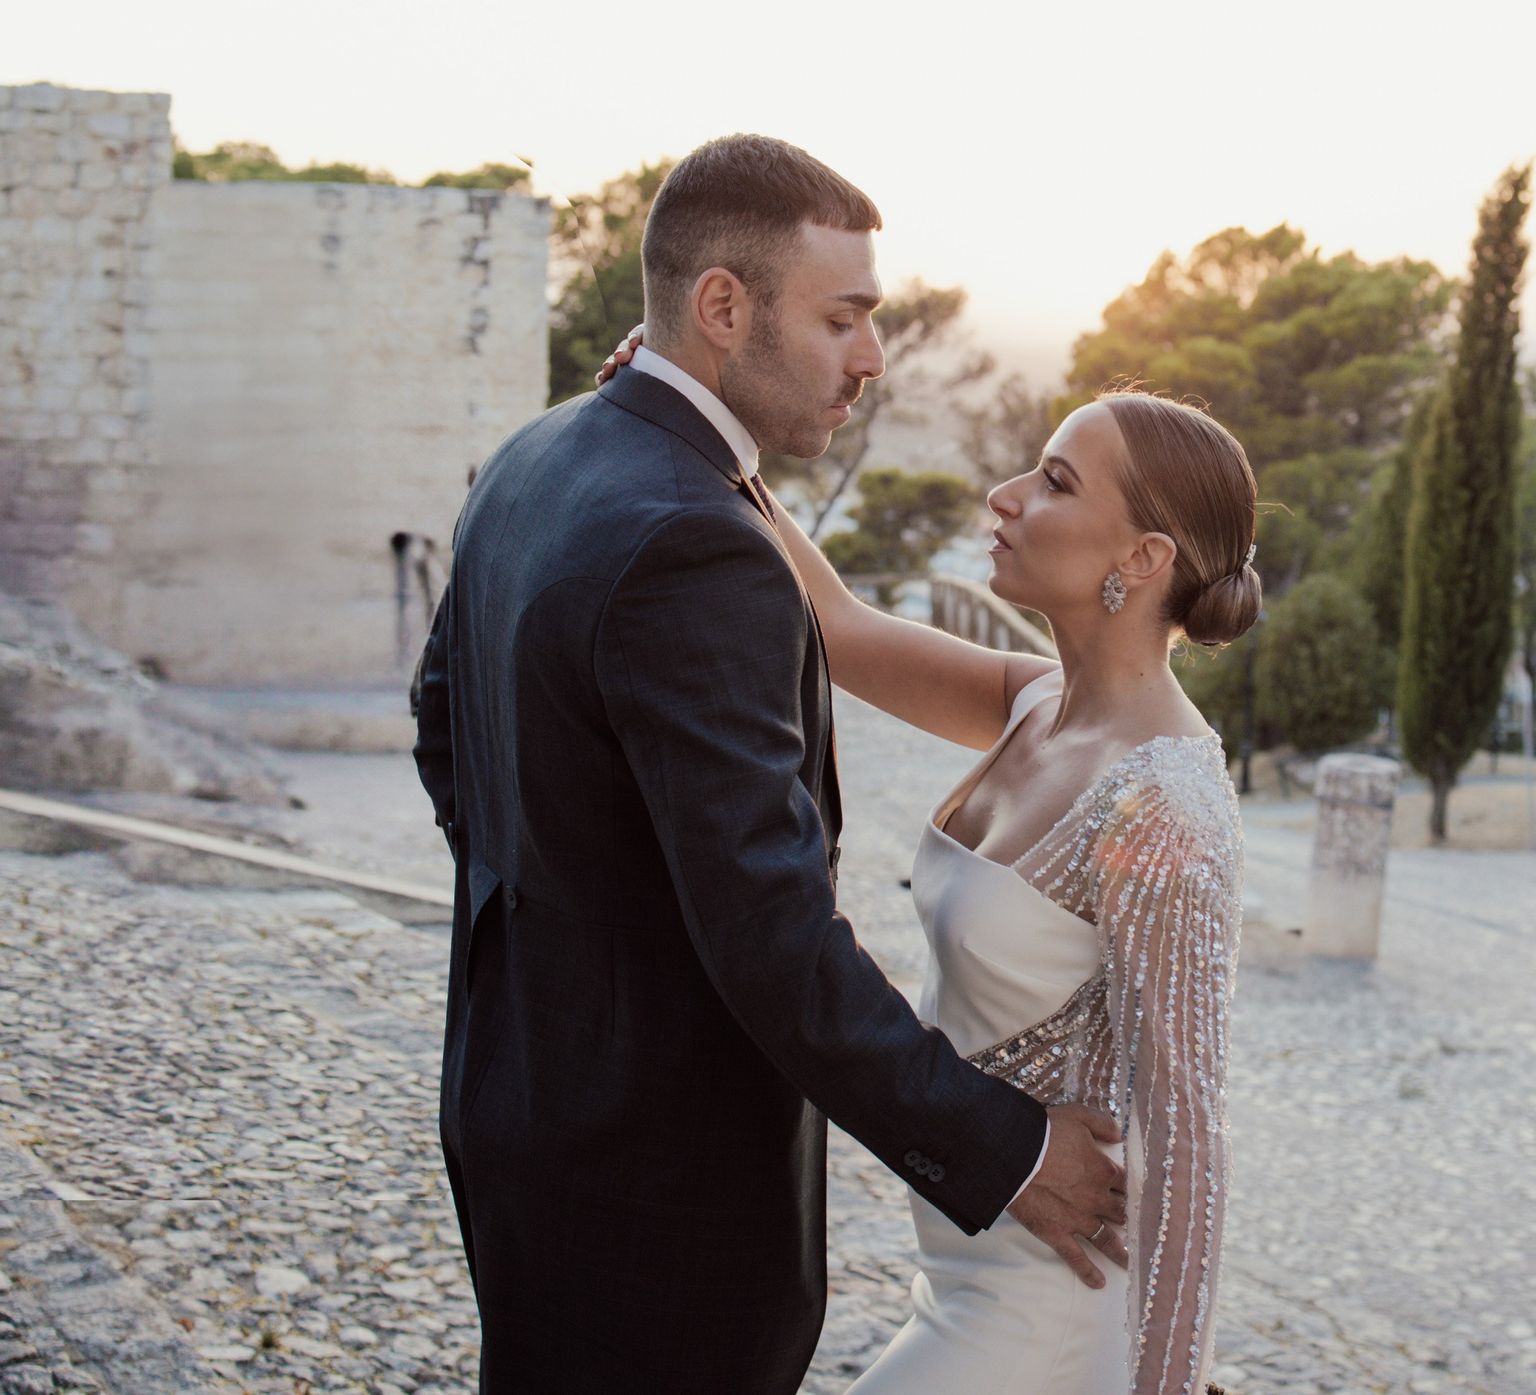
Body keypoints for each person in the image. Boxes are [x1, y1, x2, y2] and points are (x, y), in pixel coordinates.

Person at [411, 134, 1129, 1393]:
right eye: (843, 318)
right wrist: (1005, 1151)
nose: (872, 356)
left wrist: (566, 929)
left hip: (513, 1099)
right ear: (724, 307)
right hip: (655, 1181)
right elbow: (773, 941)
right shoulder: (698, 545)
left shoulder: (538, 457)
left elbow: (441, 733)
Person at [596, 321, 1258, 1394]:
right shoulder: (1032, 703)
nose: (1003, 495)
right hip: (960, 1275)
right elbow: (837, 624)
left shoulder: (1163, 802)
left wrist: (1165, 1388)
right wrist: (699, 427)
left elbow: (1187, 1132)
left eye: (1051, 482)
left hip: (1054, 1309)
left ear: (1139, 561)